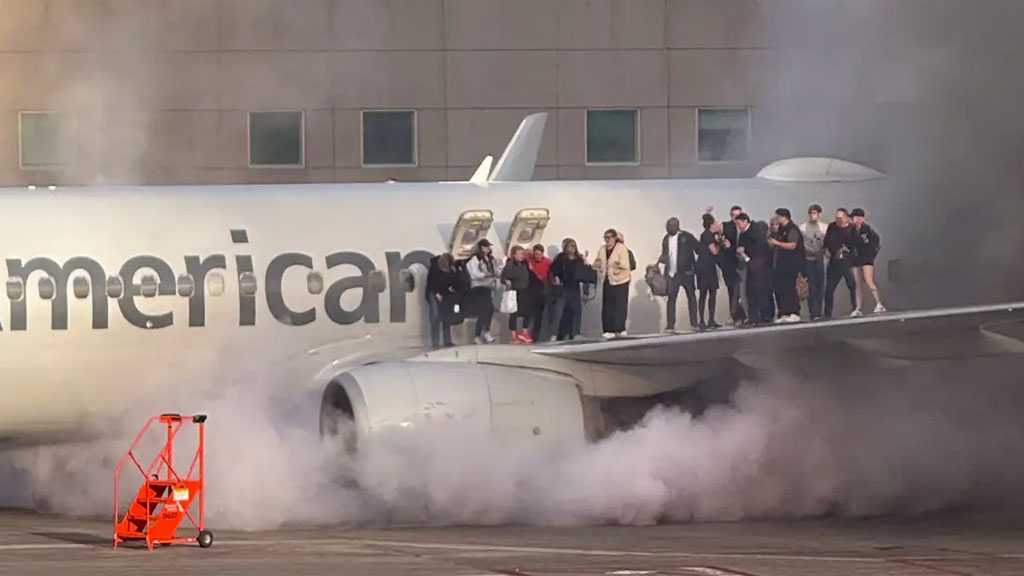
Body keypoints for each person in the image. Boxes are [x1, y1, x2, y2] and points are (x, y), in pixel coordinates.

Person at [658, 217, 700, 332]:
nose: (668, 229)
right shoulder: (666, 238)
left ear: (677, 226)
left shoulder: (687, 236)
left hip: (687, 273)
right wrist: (662, 263)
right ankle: (670, 325)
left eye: (670, 227)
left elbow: (699, 249)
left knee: (691, 297)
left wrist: (694, 267)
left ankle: (694, 323)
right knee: (671, 299)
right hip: (672, 273)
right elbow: (665, 254)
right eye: (667, 227)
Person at [735, 213, 773, 325]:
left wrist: (746, 254)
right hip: (750, 265)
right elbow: (742, 249)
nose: (738, 226)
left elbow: (760, 250)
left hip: (760, 265)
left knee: (761, 290)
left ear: (745, 221)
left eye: (739, 223)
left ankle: (765, 316)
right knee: (750, 292)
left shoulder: (756, 231)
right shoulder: (742, 234)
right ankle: (753, 317)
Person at [593, 228, 631, 338]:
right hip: (607, 280)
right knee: (607, 306)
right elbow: (599, 261)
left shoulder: (622, 248)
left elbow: (626, 264)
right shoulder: (602, 249)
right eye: (605, 237)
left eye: (609, 237)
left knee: (620, 306)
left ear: (614, 238)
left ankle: (620, 328)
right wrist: (597, 264)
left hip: (621, 280)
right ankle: (607, 330)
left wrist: (617, 264)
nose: (607, 240)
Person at [769, 208, 804, 323]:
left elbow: (793, 245)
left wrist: (777, 243)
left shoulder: (792, 229)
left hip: (791, 264)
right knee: (781, 289)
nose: (777, 219)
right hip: (780, 265)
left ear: (784, 217)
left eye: (778, 216)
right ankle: (784, 312)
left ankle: (794, 312)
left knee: (790, 288)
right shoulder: (780, 229)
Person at [849, 208, 886, 316]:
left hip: (866, 258)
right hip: (855, 259)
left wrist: (871, 254)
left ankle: (879, 304)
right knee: (857, 284)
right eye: (855, 217)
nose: (856, 219)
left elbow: (876, 242)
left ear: (862, 218)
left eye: (859, 217)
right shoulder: (850, 230)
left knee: (869, 280)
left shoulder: (867, 230)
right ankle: (858, 308)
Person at [550, 237, 589, 341]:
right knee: (560, 312)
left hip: (575, 288)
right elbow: (553, 270)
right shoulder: (560, 258)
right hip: (563, 287)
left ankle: (575, 333)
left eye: (574, 246)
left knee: (576, 311)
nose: (572, 248)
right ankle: (557, 334)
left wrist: (586, 292)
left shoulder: (579, 259)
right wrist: (556, 278)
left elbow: (585, 275)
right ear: (565, 247)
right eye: (570, 246)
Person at [823, 208, 857, 319]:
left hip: (848, 262)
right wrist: (827, 252)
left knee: (852, 286)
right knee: (829, 289)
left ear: (846, 217)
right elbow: (826, 242)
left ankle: (856, 308)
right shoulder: (832, 226)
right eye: (836, 218)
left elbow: (856, 245)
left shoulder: (852, 228)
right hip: (834, 262)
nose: (838, 220)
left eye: (840, 218)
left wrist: (850, 251)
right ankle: (827, 314)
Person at [465, 239, 499, 343]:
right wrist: (485, 275)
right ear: (481, 247)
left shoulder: (490, 259)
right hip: (478, 287)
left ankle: (483, 332)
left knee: (488, 310)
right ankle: (480, 334)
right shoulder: (475, 259)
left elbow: (494, 270)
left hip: (488, 287)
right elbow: (474, 274)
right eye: (486, 246)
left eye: (489, 246)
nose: (489, 248)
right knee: (485, 309)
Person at [799, 204, 827, 320]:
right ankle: (813, 312)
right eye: (810, 213)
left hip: (820, 259)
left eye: (814, 213)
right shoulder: (803, 227)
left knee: (820, 285)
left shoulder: (824, 227)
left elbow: (827, 244)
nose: (812, 215)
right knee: (811, 286)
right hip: (808, 259)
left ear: (819, 214)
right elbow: (800, 246)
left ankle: (819, 312)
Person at [501, 245, 534, 343]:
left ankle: (524, 332)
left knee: (527, 312)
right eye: (518, 254)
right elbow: (503, 277)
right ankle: (514, 335)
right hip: (515, 291)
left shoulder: (524, 264)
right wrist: (507, 282)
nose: (521, 256)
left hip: (525, 290)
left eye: (522, 254)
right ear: (514, 255)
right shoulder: (510, 265)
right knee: (514, 313)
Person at [425, 253, 458, 348]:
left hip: (445, 292)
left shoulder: (452, 268)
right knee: (435, 316)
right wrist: (436, 293)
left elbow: (452, 281)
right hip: (433, 292)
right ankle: (435, 342)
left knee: (446, 316)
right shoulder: (435, 268)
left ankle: (447, 341)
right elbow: (431, 283)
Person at [720, 205, 745, 324]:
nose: (736, 218)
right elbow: (721, 242)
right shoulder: (726, 226)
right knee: (733, 291)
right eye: (733, 216)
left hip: (744, 264)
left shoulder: (745, 227)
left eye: (738, 215)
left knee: (741, 291)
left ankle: (741, 316)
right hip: (730, 264)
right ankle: (735, 316)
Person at [696, 213, 722, 329]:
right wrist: (720, 244)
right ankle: (706, 320)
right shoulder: (708, 235)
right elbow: (714, 251)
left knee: (705, 294)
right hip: (706, 267)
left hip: (704, 266)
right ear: (711, 225)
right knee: (708, 293)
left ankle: (706, 320)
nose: (718, 225)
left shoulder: (706, 234)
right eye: (716, 223)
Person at [527, 243, 551, 341]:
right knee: (529, 315)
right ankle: (526, 334)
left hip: (542, 290)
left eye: (539, 254)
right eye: (536, 254)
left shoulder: (547, 262)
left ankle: (535, 337)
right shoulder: (530, 260)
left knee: (538, 316)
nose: (538, 256)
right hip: (531, 291)